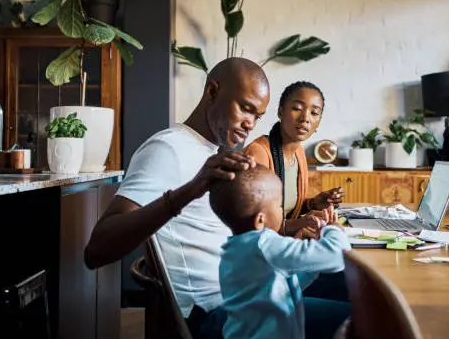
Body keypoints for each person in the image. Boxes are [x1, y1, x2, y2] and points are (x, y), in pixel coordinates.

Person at [84, 59, 348, 338]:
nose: (250, 123)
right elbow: (97, 250)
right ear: (212, 91)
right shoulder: (167, 148)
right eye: (246, 108)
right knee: (368, 316)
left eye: (258, 116)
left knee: (353, 283)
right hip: (219, 315)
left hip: (245, 295)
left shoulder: (216, 154)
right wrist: (189, 191)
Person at [209, 165, 351, 339]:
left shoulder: (235, 248)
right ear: (260, 219)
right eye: (279, 206)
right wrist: (333, 230)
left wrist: (312, 258)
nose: (282, 211)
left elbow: (282, 284)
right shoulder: (266, 244)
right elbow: (338, 254)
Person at [243, 81, 345, 238]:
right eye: (297, 108)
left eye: (314, 113)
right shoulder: (258, 154)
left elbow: (286, 209)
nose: (305, 118)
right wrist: (301, 224)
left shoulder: (299, 153)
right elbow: (251, 221)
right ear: (280, 111)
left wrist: (313, 204)